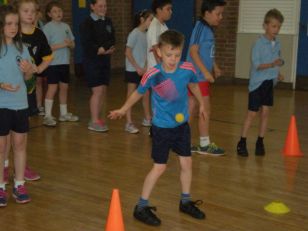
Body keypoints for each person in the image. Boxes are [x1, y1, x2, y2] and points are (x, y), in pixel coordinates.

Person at [109, 30, 206, 226]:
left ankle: (185, 201)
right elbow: (138, 93)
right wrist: (123, 109)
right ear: (159, 52)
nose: (173, 59)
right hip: (162, 128)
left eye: (177, 55)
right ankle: (141, 206)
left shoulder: (187, 69)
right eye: (169, 55)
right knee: (160, 167)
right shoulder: (153, 74)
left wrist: (201, 103)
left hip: (181, 126)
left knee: (187, 164)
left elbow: (194, 86)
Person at [2, 0, 53, 183]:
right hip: (5, 98)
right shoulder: (8, 39)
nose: (30, 14)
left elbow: (45, 58)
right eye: (26, 11)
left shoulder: (36, 36)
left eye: (33, 11)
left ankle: (20, 170)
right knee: (3, 138)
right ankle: (5, 167)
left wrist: (35, 70)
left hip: (24, 94)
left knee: (20, 136)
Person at [237, 9, 284, 157]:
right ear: (265, 26)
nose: (276, 29)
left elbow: (278, 60)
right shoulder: (258, 44)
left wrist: (278, 71)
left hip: (269, 83)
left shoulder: (277, 44)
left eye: (278, 26)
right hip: (257, 84)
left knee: (265, 113)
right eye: (274, 26)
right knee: (252, 113)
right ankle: (242, 142)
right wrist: (272, 65)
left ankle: (260, 142)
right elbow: (257, 64)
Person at [0, 5, 34, 207]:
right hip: (2, 105)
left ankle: (19, 184)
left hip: (20, 104)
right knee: (1, 147)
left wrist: (29, 71)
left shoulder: (22, 48)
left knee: (20, 145)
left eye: (16, 24)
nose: (13, 27)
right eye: (9, 24)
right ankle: (1, 187)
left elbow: (29, 81)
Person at [186, 0, 226, 155]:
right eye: (218, 13)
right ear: (207, 13)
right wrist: (206, 72)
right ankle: (204, 144)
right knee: (204, 109)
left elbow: (206, 53)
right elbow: (193, 52)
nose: (221, 17)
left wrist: (214, 67)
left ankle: (184, 142)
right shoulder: (200, 27)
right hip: (198, 77)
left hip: (199, 76)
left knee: (191, 108)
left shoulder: (208, 29)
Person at [79, 0, 115, 132]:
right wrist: (98, 49)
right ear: (92, 7)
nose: (103, 8)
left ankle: (97, 118)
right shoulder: (86, 23)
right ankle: (93, 121)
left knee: (103, 90)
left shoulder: (108, 21)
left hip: (105, 59)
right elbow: (87, 43)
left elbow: (112, 38)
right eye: (100, 6)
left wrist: (108, 48)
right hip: (92, 61)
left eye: (105, 6)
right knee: (97, 91)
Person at [42, 0, 78, 127]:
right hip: (52, 64)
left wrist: (70, 44)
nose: (58, 13)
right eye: (55, 11)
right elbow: (46, 47)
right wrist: (63, 44)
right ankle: (47, 115)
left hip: (64, 63)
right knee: (52, 88)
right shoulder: (47, 28)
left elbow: (72, 44)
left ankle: (63, 114)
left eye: (60, 11)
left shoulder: (66, 27)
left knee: (64, 88)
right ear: (49, 14)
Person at [141, 0, 173, 127]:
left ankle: (161, 124)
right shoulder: (154, 26)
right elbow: (155, 48)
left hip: (163, 68)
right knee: (159, 99)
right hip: (157, 70)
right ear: (159, 10)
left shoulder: (163, 26)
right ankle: (156, 126)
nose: (171, 12)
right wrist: (162, 67)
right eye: (168, 9)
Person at [124, 9, 153, 134]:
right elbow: (128, 52)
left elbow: (147, 53)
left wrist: (146, 66)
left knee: (146, 94)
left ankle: (147, 119)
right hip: (132, 69)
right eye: (150, 20)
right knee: (131, 95)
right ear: (142, 20)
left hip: (143, 70)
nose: (151, 22)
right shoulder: (134, 33)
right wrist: (137, 67)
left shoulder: (147, 34)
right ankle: (128, 122)